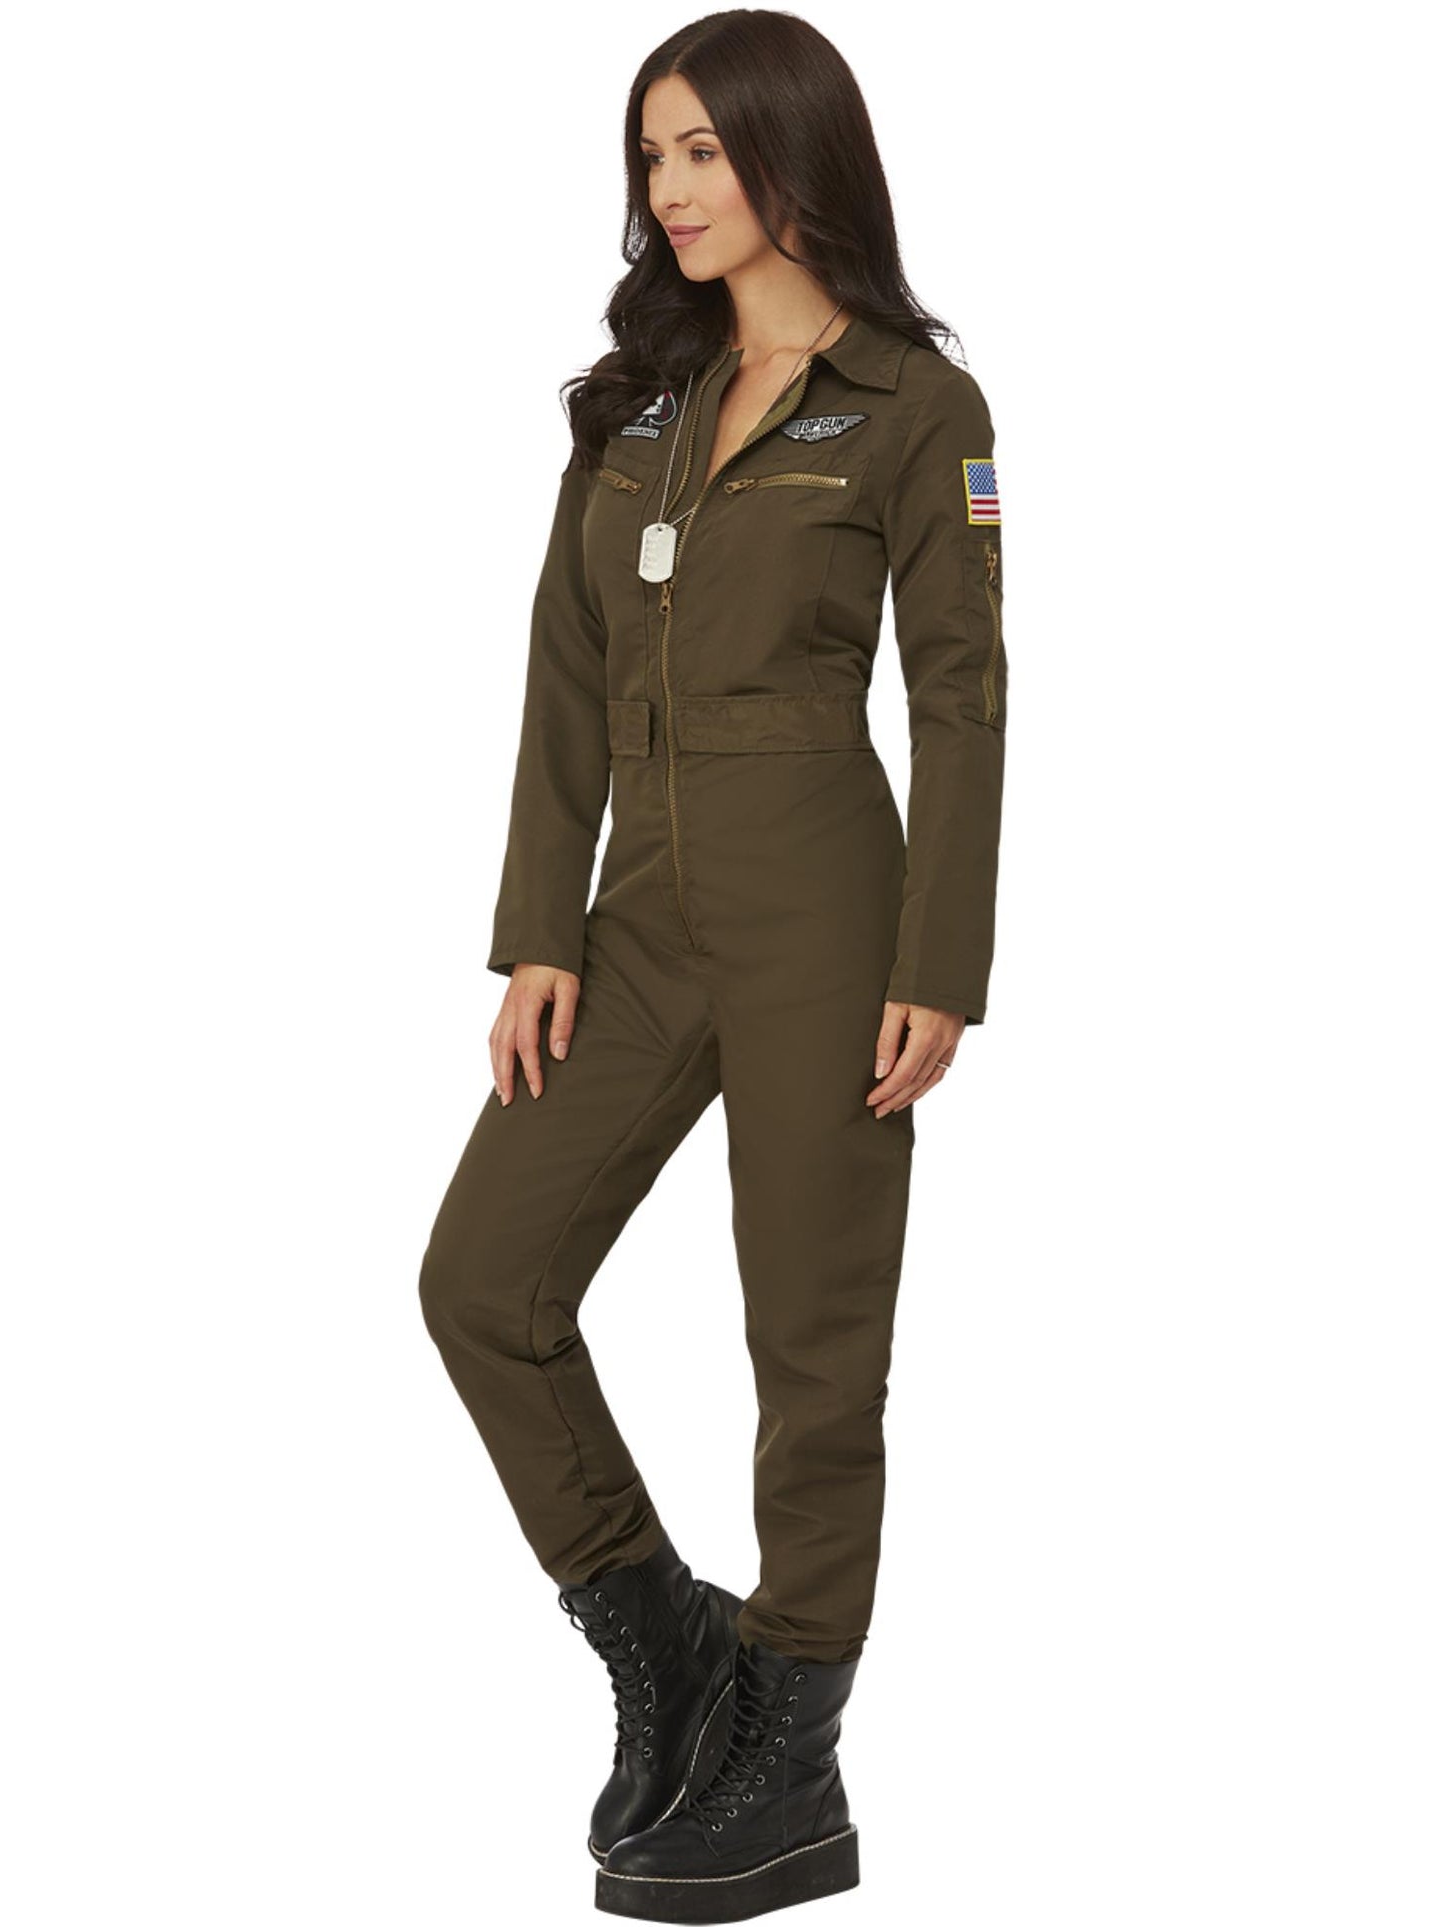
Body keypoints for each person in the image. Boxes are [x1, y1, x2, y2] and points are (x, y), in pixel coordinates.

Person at [418, 10, 1008, 1919]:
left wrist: (940, 957)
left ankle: (794, 1760)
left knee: (811, 1343)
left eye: (700, 150)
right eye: (650, 155)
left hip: (826, 893)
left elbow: (961, 694)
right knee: (481, 1280)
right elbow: (561, 672)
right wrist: (538, 928)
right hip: (640, 904)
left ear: (790, 153)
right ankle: (668, 1639)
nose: (669, 189)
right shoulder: (637, 404)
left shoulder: (912, 405)